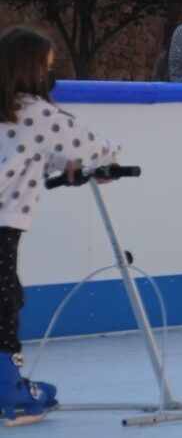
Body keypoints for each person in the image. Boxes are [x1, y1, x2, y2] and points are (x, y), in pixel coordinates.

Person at [0, 26, 119, 425]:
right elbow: (88, 143)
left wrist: (66, 166)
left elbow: (26, 152)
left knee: (9, 293)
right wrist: (108, 160)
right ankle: (9, 390)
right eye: (46, 67)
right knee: (4, 302)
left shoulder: (10, 112)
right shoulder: (35, 111)